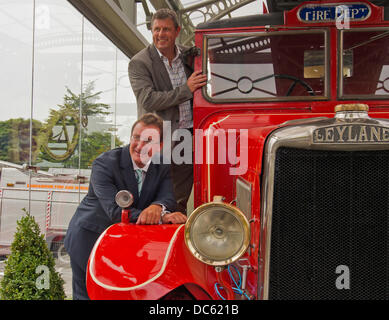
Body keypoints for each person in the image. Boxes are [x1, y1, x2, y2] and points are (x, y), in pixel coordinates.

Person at [64, 113, 187, 300]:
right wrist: (162, 217)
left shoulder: (162, 166)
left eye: (148, 140)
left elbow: (168, 198)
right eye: (136, 138)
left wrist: (158, 206)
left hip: (127, 246)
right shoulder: (104, 164)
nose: (139, 146)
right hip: (90, 239)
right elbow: (115, 211)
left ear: (160, 146)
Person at [128, 8, 207, 213]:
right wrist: (186, 90)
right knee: (152, 197)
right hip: (158, 140)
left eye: (166, 29)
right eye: (156, 29)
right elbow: (149, 100)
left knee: (180, 198)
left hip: (188, 136)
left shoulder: (189, 57)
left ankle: (175, 237)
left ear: (177, 31)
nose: (160, 34)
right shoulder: (139, 62)